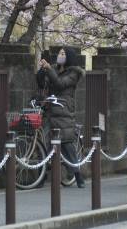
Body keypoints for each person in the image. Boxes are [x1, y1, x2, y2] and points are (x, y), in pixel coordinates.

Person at [36, 46, 86, 187]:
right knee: (43, 141)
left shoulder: (74, 73)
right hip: (50, 109)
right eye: (59, 53)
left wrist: (49, 70)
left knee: (66, 144)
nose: (60, 55)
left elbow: (59, 84)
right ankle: (41, 175)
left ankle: (77, 175)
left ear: (69, 56)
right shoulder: (54, 69)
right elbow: (42, 83)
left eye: (63, 53)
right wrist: (42, 70)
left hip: (63, 110)